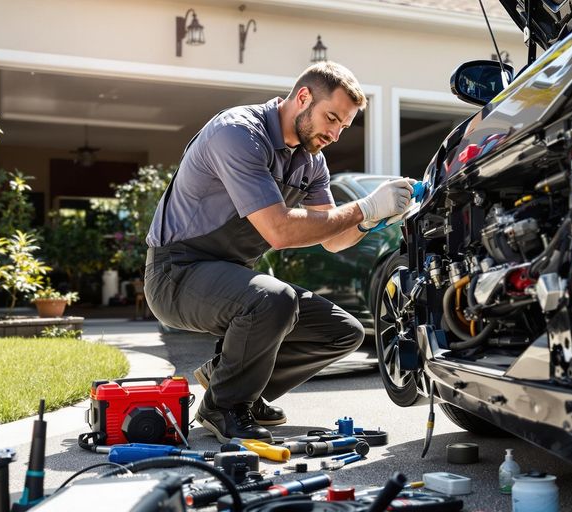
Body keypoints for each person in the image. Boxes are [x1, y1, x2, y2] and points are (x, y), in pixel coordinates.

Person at [143, 62, 415, 442]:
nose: (335, 134)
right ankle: (225, 407)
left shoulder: (311, 162)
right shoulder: (238, 134)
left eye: (344, 126)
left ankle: (236, 389)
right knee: (274, 299)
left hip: (229, 276)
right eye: (331, 118)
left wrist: (373, 219)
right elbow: (280, 230)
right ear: (303, 97)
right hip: (177, 273)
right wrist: (365, 207)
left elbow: (333, 238)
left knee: (343, 331)